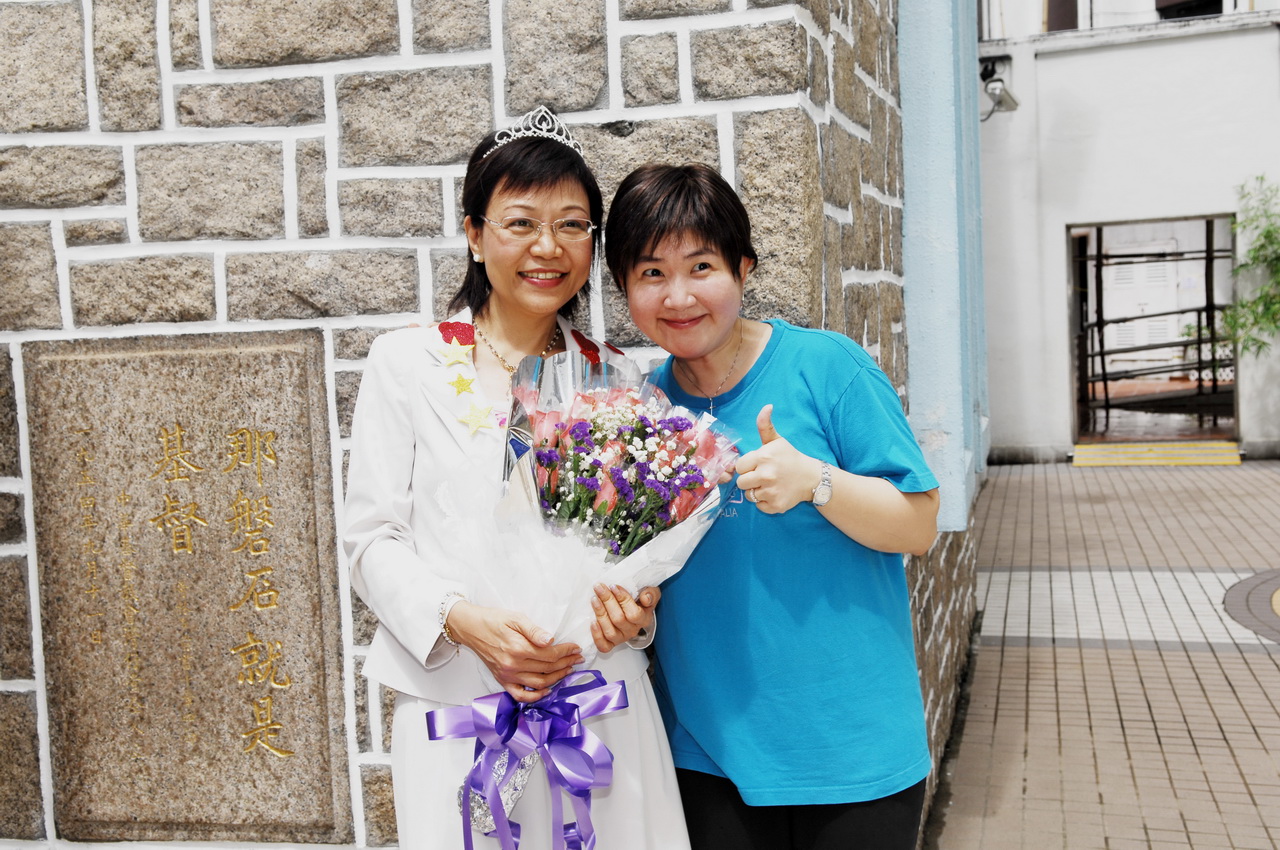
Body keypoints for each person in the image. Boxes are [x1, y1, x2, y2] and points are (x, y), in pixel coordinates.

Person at [343, 108, 690, 850]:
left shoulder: (618, 378)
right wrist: (463, 621)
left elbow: (638, 553)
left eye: (571, 225)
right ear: (474, 234)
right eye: (521, 223)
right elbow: (370, 539)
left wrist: (635, 615)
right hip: (459, 700)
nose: (548, 247)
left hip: (597, 698)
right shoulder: (406, 364)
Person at [605, 162, 941, 850]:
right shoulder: (640, 413)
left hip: (853, 758)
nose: (678, 296)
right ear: (624, 288)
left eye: (701, 267)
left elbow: (919, 524)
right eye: (651, 273)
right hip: (707, 758)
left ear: (743, 268)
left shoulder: (827, 367)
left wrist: (816, 481)